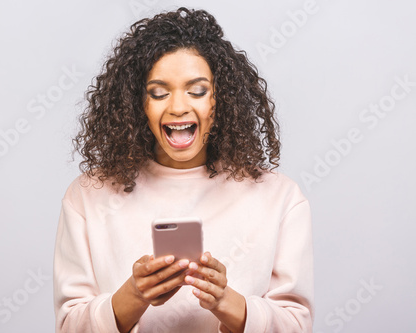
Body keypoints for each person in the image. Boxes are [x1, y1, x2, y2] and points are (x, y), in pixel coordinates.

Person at [53, 7, 314, 333]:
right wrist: (133, 296)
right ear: (139, 103)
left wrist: (227, 302)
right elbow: (69, 327)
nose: (177, 107)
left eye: (197, 90)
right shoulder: (87, 197)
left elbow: (296, 326)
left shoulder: (280, 198)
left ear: (220, 100)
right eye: (159, 93)